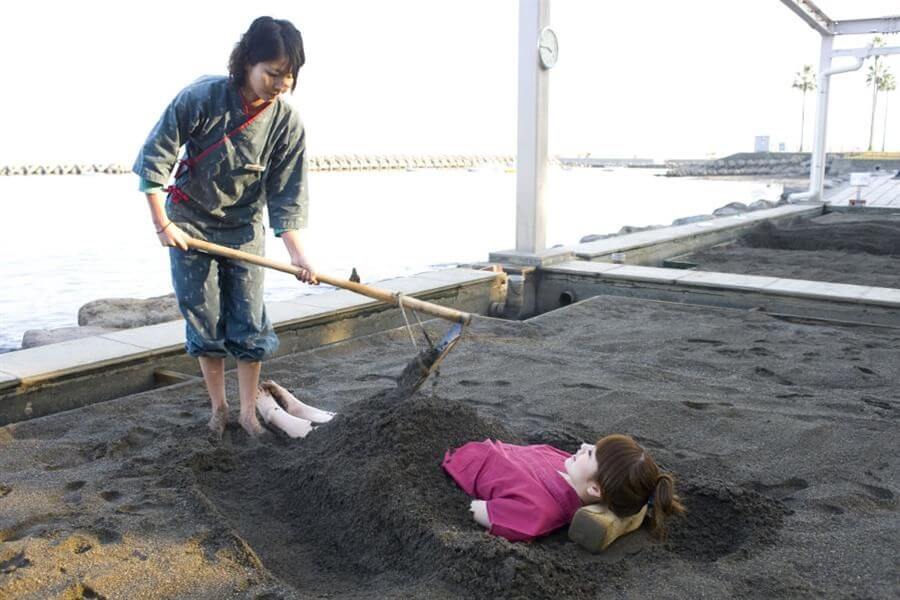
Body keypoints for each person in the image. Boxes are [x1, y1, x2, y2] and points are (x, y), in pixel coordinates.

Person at [133, 17, 316, 437]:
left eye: (288, 76)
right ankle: (219, 408)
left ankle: (250, 411)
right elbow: (155, 159)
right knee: (204, 316)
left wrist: (297, 252)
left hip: (243, 227)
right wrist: (162, 225)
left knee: (248, 320)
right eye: (272, 73)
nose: (280, 84)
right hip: (189, 226)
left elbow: (287, 191)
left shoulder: (287, 123)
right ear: (247, 62)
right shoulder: (202, 97)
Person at [442, 434, 684, 543]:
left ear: (596, 489)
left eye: (591, 453)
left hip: (449, 464)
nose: (583, 445)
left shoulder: (538, 512)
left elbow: (468, 510)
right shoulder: (567, 465)